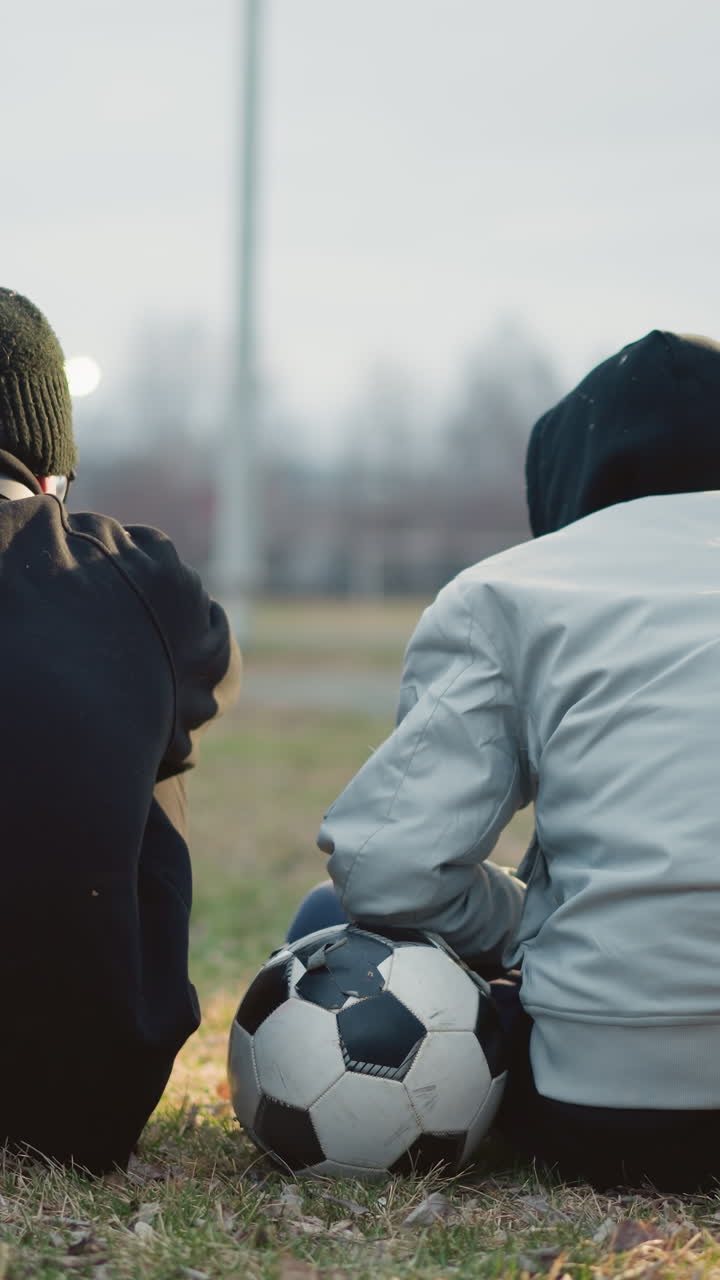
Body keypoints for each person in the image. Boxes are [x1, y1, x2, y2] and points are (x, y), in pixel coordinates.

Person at [296, 331, 720, 1190]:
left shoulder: (516, 589)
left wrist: (529, 920)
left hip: (623, 1112)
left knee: (321, 920)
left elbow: (388, 870)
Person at [0, 288, 240, 1174]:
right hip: (79, 1103)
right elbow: (221, 678)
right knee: (154, 726)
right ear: (51, 465)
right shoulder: (137, 572)